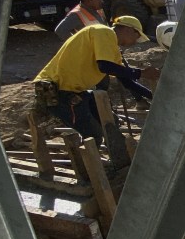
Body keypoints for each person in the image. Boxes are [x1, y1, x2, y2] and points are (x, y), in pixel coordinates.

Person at [34, 16, 159, 144]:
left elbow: (127, 82)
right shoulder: (104, 32)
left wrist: (156, 97)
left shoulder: (111, 49)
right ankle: (86, 161)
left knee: (110, 121)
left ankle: (118, 159)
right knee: (93, 135)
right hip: (55, 89)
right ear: (128, 29)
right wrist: (141, 73)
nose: (135, 42)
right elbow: (105, 66)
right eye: (136, 37)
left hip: (74, 90)